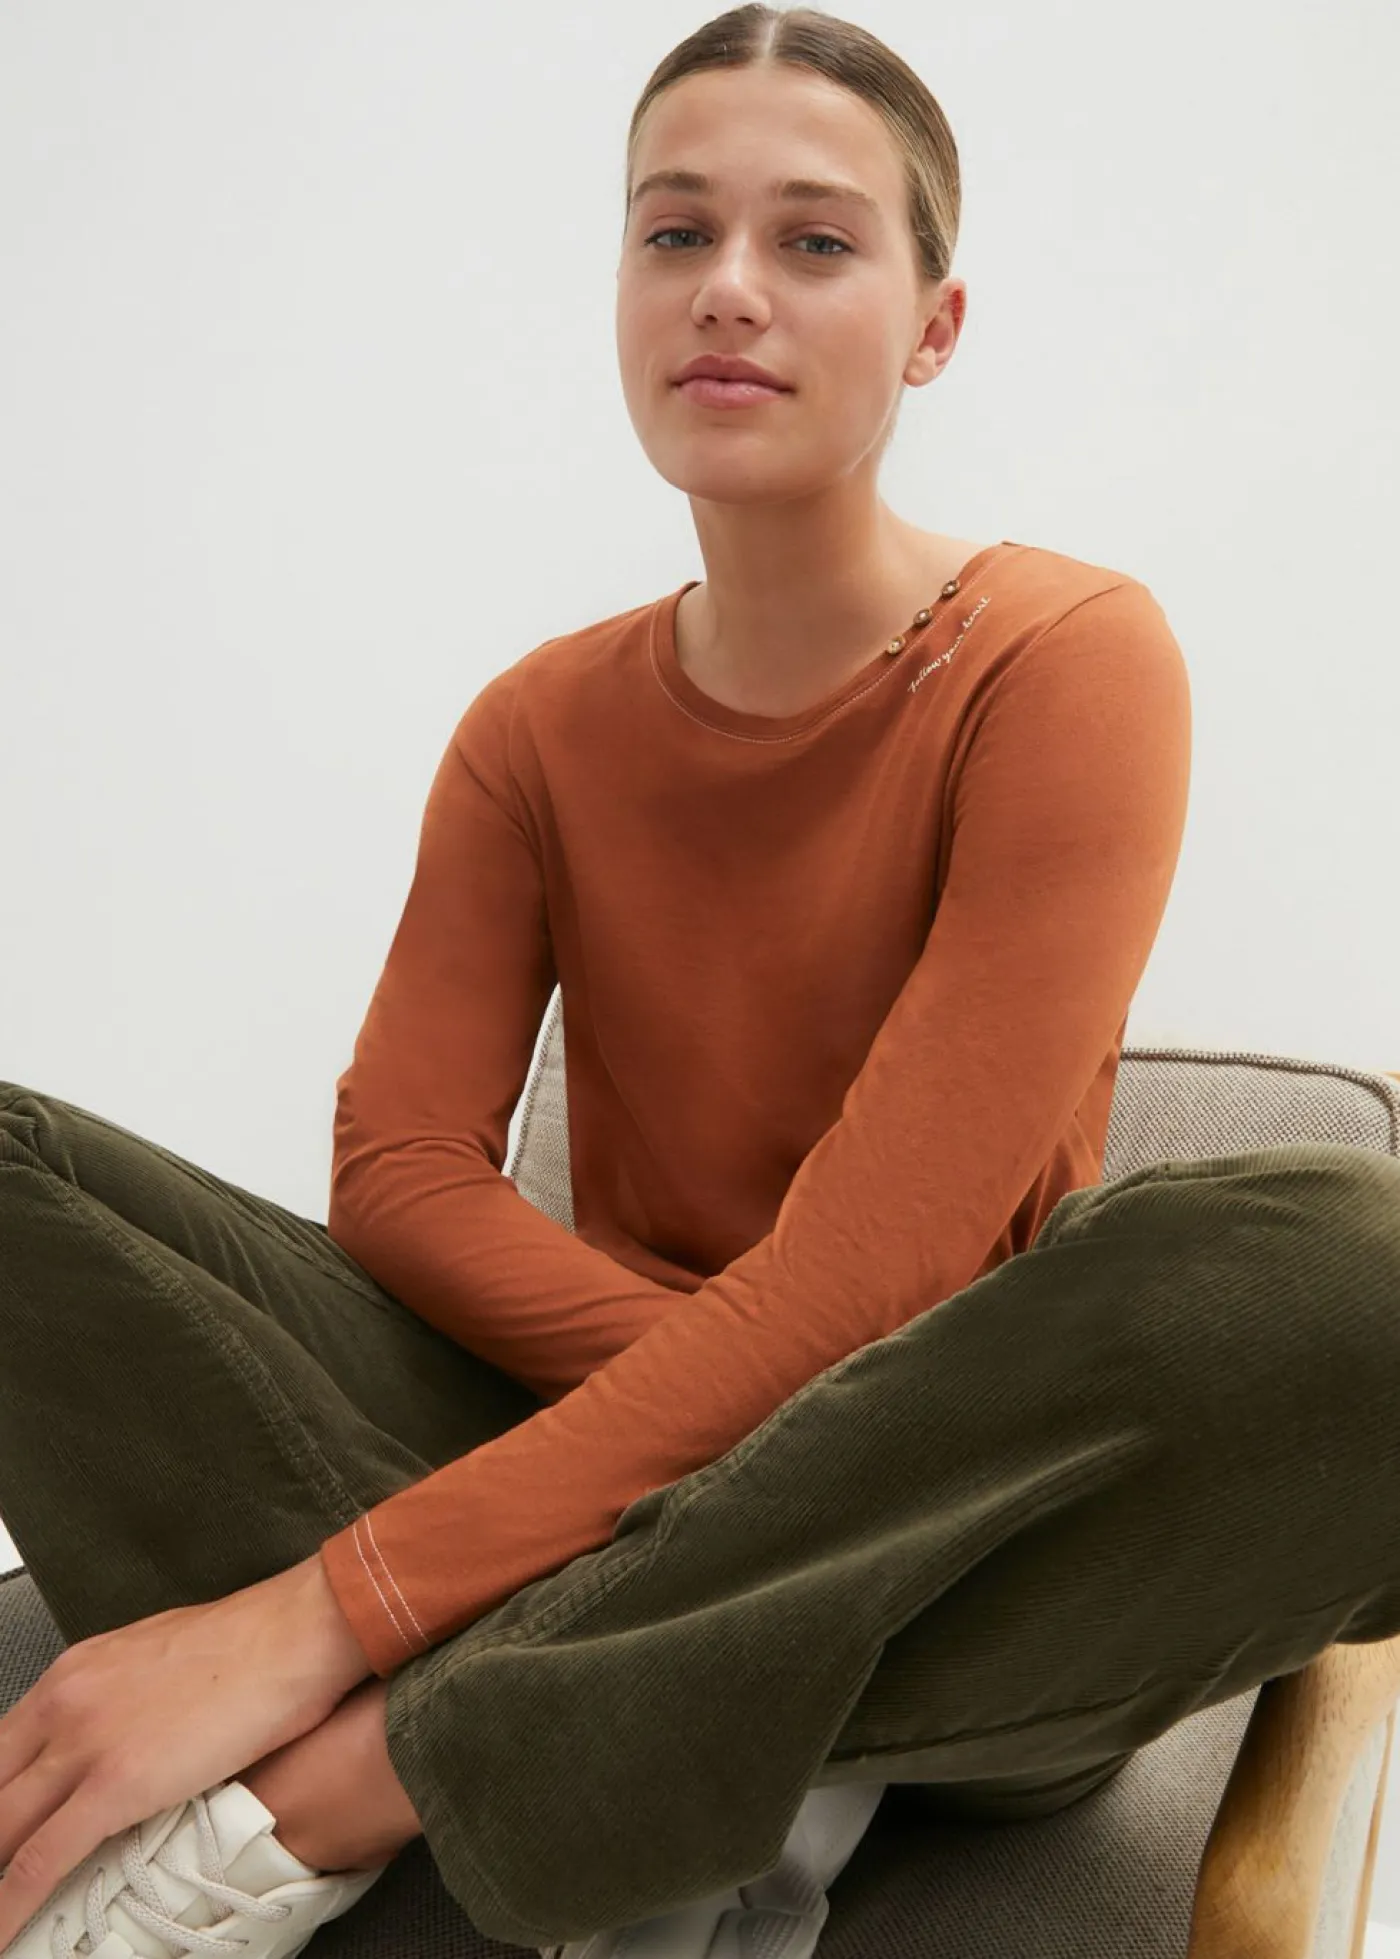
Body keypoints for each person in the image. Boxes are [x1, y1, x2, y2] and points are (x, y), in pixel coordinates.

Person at [4, 6, 1400, 1958]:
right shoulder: (537, 722)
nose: (728, 287)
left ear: (933, 325)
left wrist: (326, 1611)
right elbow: (399, 1171)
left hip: (947, 1539)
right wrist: (721, 1416)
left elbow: (879, 1279)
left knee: (1359, 1266)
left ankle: (349, 1781)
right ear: (621, 293)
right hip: (596, 1445)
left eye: (814, 241)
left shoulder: (1066, 658)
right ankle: (642, 1709)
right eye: (674, 233)